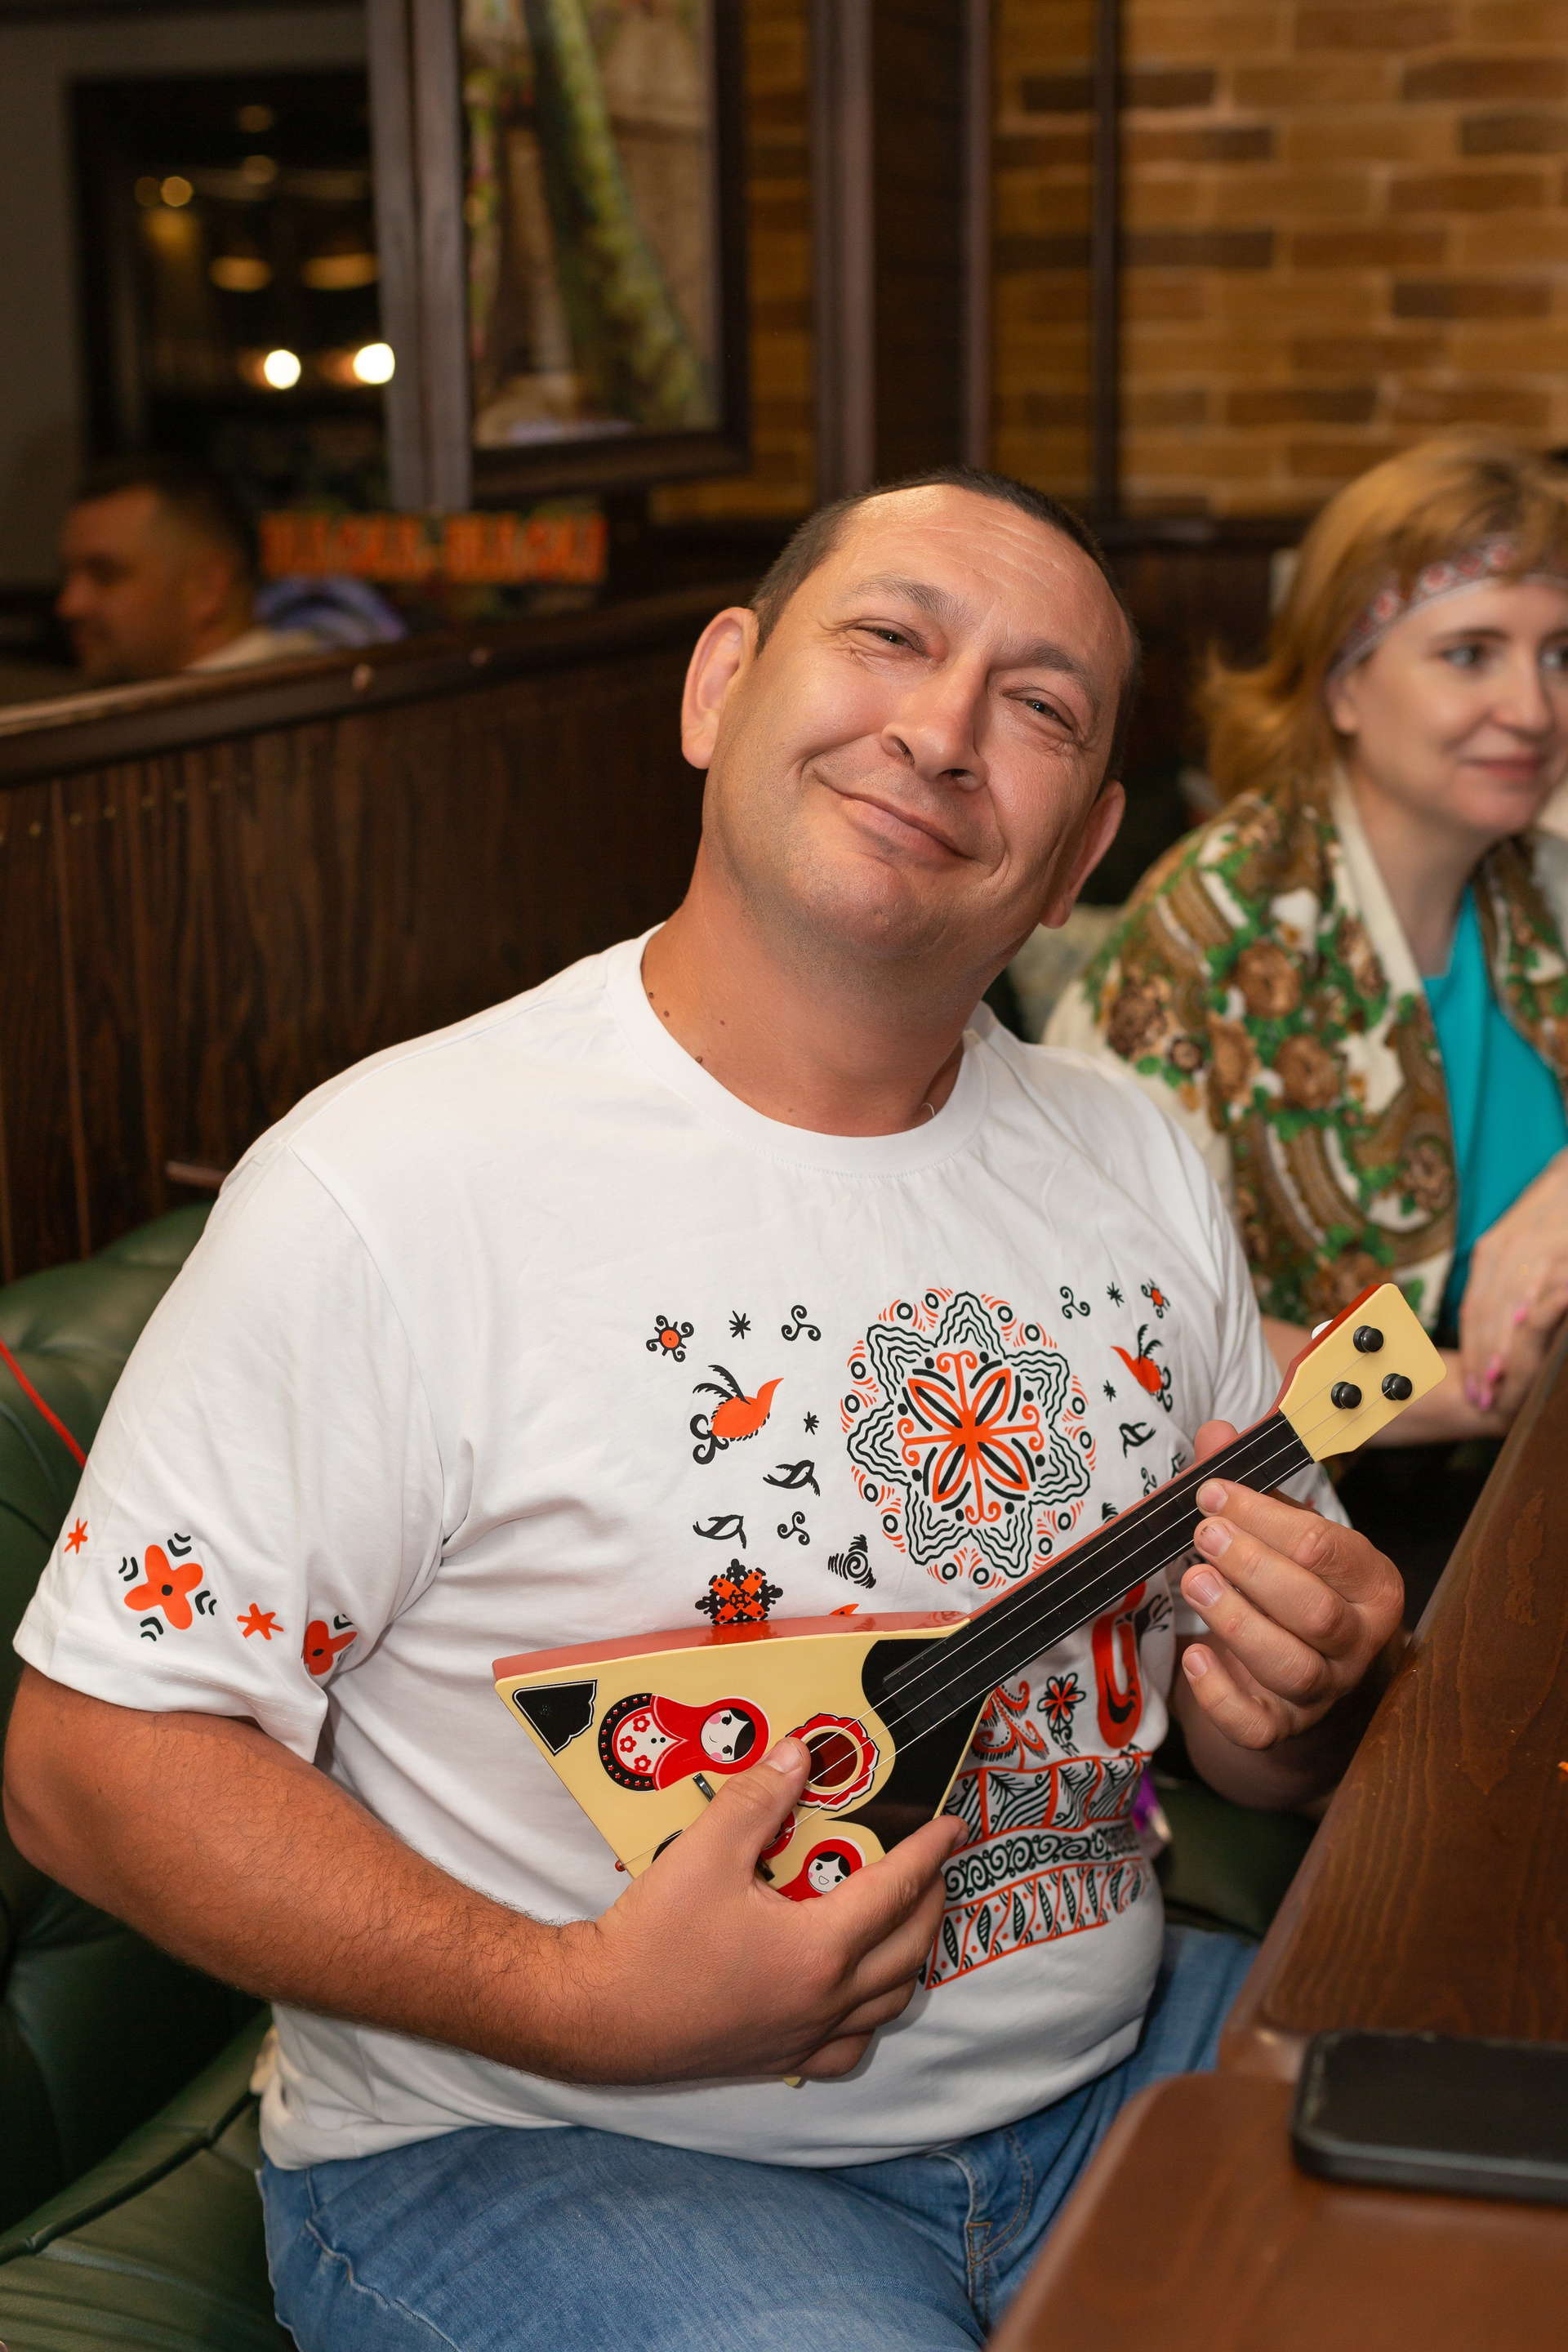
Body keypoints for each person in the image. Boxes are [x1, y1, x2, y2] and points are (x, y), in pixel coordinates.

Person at [4, 467, 1405, 2352]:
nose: (941, 729)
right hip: (546, 2145)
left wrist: (1298, 1698)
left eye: (1040, 706)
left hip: (1110, 2075)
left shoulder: (1139, 1152)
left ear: (1083, 847)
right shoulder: (395, 1179)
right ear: (720, 687)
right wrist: (582, 2000)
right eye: (889, 636)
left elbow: (1251, 1746)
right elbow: (91, 1758)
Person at [1049, 433, 1568, 1443]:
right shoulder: (1213, 927)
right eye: (1470, 654)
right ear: (1343, 684)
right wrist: (1468, 1394)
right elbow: (1136, 1322)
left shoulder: (1539, 883)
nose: (1533, 708)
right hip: (1321, 1502)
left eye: (1561, 655)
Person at [57, 456, 327, 686]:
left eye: (105, 575)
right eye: (68, 575)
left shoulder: (294, 710)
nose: (70, 606)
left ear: (207, 586)